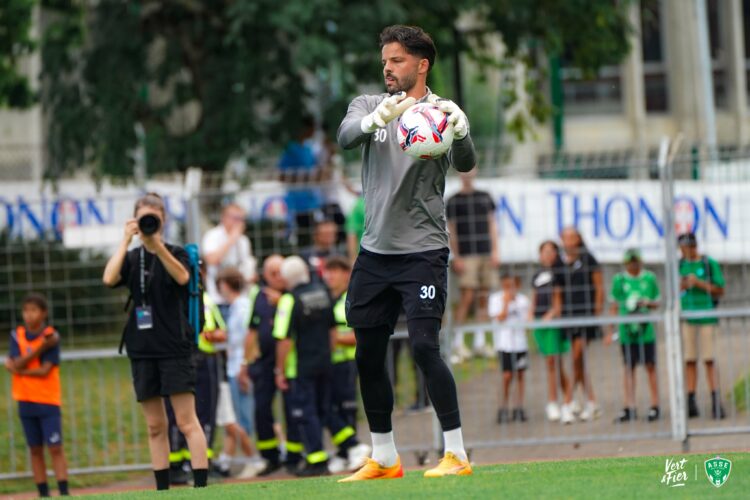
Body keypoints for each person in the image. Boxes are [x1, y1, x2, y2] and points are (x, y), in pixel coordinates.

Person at [337, 24, 476, 480]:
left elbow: (466, 163)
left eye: (396, 61)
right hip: (375, 253)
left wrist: (462, 131)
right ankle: (385, 457)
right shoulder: (368, 106)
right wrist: (377, 121)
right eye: (384, 61)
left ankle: (456, 453)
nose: (387, 69)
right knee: (367, 355)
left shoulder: (441, 114)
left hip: (423, 251)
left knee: (423, 347)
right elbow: (345, 137)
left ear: (421, 64)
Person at [102, 192, 208, 490]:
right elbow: (109, 279)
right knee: (154, 426)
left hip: (174, 347)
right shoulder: (132, 257)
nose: (149, 222)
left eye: (154, 217)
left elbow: (184, 278)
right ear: (135, 220)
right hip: (142, 349)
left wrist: (157, 245)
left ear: (163, 219)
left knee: (187, 421)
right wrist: (126, 240)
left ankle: (201, 487)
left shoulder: (178, 252)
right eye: (144, 217)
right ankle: (162, 489)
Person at [239, 254, 303, 475]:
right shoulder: (258, 295)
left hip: (289, 364)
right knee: (261, 409)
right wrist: (244, 362)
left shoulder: (294, 294)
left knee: (292, 409)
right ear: (264, 275)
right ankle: (270, 456)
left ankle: (294, 457)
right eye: (272, 273)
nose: (277, 277)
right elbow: (252, 330)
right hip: (263, 363)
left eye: (280, 272)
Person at [273, 256, 336, 477]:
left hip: (301, 366)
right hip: (326, 361)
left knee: (305, 412)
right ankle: (318, 458)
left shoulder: (289, 300)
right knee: (321, 409)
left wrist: (279, 370)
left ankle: (317, 460)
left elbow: (284, 339)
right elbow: (332, 330)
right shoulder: (323, 292)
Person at [5, 294, 69, 497]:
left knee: (55, 448)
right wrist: (40, 347)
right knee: (35, 449)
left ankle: (64, 491)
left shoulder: (51, 335)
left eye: (33, 310)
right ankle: (43, 493)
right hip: (25, 400)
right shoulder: (18, 335)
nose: (29, 315)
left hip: (48, 401)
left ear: (44, 313)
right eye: (26, 310)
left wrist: (19, 369)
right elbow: (18, 362)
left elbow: (44, 370)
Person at [167, 286, 226, 484]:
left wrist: (212, 335)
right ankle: (177, 464)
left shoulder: (206, 299)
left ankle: (200, 464)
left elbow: (221, 332)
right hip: (181, 359)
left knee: (204, 413)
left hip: (203, 360)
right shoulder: (170, 296)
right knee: (178, 414)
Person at [323, 256, 372, 472]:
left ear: (346, 274)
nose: (330, 276)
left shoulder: (349, 299)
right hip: (331, 363)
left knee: (346, 408)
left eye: (335, 271)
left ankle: (354, 449)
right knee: (332, 407)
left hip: (346, 362)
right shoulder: (328, 299)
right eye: (328, 271)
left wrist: (332, 340)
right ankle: (345, 451)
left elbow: (357, 335)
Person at [447, 169, 500, 361]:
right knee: (467, 296)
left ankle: (480, 341)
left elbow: (492, 224)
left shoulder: (485, 197)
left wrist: (495, 251)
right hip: (467, 255)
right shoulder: (453, 200)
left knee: (484, 297)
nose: (467, 174)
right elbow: (451, 230)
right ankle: (458, 342)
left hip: (485, 252)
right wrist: (457, 256)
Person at [605, 249, 660, 423]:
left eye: (636, 261)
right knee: (629, 368)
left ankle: (655, 405)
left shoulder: (649, 278)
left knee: (650, 366)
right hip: (627, 332)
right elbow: (614, 305)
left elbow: (657, 301)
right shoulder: (619, 280)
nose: (633, 265)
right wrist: (610, 330)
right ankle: (629, 406)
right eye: (630, 262)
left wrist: (647, 303)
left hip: (645, 331)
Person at [216, 267, 261, 477]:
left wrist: (243, 367)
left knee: (241, 419)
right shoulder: (237, 307)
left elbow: (248, 339)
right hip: (235, 367)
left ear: (226, 285)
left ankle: (254, 459)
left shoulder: (241, 307)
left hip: (239, 368)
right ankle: (227, 459)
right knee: (238, 418)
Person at [678, 232, 726, 419]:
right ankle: (691, 401)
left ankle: (715, 400)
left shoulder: (708, 264)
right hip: (688, 318)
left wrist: (699, 283)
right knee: (689, 359)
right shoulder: (680, 265)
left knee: (709, 359)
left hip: (707, 317)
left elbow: (720, 289)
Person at [560, 226, 604, 422]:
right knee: (579, 361)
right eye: (565, 237)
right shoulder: (560, 262)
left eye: (572, 237)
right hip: (568, 316)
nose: (569, 241)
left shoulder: (588, 259)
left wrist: (597, 311)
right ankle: (592, 402)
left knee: (578, 357)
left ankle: (568, 402)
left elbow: (599, 286)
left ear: (578, 239)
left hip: (586, 315)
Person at [529, 241, 574, 424]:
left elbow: (558, 302)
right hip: (539, 323)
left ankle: (554, 401)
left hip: (552, 322)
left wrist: (551, 315)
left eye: (551, 251)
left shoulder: (559, 274)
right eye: (544, 251)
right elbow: (534, 297)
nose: (547, 255)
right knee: (553, 364)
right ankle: (569, 399)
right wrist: (532, 315)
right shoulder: (537, 275)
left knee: (553, 361)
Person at [488, 274, 530, 424]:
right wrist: (506, 303)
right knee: (506, 376)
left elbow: (527, 320)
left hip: (520, 344)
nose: (509, 289)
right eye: (506, 286)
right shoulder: (496, 299)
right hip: (504, 344)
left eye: (512, 286)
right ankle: (503, 407)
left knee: (520, 375)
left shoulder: (523, 300)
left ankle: (519, 406)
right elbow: (499, 318)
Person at [278, 115, 324, 247]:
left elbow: (316, 172)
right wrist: (300, 178)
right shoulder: (291, 150)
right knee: (300, 238)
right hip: (297, 204)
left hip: (311, 202)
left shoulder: (309, 149)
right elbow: (281, 175)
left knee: (312, 237)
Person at [202, 203, 257, 312]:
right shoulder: (212, 236)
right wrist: (231, 239)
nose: (239, 222)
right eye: (236, 218)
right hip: (219, 299)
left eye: (242, 219)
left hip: (241, 298)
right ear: (224, 218)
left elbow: (246, 263)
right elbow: (211, 260)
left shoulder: (243, 240)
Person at [345, 196, 366, 263]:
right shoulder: (359, 204)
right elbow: (351, 233)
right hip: (364, 257)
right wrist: (352, 260)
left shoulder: (360, 203)